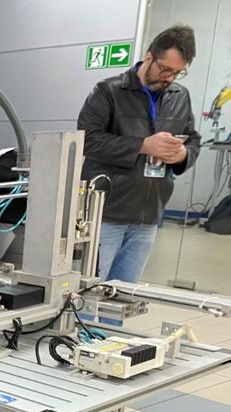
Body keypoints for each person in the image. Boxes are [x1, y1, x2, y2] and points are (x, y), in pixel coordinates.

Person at [78, 25, 201, 283]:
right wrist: (143, 146)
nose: (170, 78)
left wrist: (182, 154)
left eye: (178, 72)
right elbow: (87, 140)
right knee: (89, 289)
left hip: (148, 215)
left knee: (124, 294)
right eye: (165, 69)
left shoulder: (180, 96)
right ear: (149, 57)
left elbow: (193, 140)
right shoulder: (109, 91)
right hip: (106, 213)